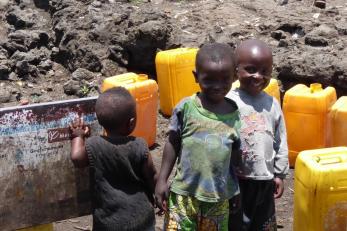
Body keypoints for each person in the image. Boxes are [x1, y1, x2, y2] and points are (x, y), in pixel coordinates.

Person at [155, 43, 241, 230]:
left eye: (224, 80)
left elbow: (234, 158)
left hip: (217, 199)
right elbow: (172, 143)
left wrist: (234, 190)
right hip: (183, 195)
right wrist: (162, 180)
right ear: (196, 77)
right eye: (209, 79)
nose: (217, 86)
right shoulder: (186, 108)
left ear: (235, 76)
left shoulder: (235, 115)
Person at [69, 87, 157, 231]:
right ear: (131, 122)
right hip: (142, 217)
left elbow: (77, 158)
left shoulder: (94, 145)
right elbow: (152, 175)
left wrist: (77, 136)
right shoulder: (140, 145)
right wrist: (160, 197)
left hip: (109, 221)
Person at [226, 39, 289, 231]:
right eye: (250, 69)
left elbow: (280, 140)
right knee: (236, 223)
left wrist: (279, 173)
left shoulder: (272, 104)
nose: (258, 76)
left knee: (263, 222)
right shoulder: (228, 101)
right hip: (237, 179)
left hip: (265, 178)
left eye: (265, 71)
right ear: (236, 70)